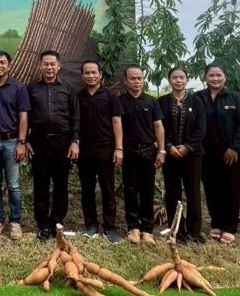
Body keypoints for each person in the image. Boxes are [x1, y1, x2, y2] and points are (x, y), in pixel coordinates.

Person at [27, 49, 80, 240]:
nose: (49, 67)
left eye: (52, 64)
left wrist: (75, 142)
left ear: (59, 66)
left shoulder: (68, 88)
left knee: (61, 185)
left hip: (63, 142)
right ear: (40, 66)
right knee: (40, 184)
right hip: (39, 142)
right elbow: (25, 116)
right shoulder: (31, 88)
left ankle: (57, 222)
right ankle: (42, 225)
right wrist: (26, 141)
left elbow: (75, 116)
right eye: (45, 64)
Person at [0, 50, 30, 241]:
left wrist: (21, 142)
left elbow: (23, 116)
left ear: (9, 66)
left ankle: (15, 222)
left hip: (12, 142)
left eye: (2, 62)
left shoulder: (18, 87)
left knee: (14, 185)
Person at [197, 63, 240, 244]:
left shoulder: (235, 96)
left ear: (225, 77)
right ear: (205, 78)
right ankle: (216, 223)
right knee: (212, 189)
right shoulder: (198, 97)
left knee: (231, 189)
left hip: (232, 152)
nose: (215, 78)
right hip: (207, 152)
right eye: (211, 75)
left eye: (219, 75)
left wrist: (234, 147)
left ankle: (229, 227)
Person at [76, 60, 123, 244]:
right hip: (84, 149)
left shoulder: (110, 96)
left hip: (106, 148)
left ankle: (110, 227)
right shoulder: (78, 97)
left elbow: (116, 122)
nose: (91, 76)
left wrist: (119, 148)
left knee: (107, 188)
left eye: (94, 72)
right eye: (87, 73)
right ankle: (91, 225)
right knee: (87, 189)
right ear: (82, 76)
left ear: (100, 75)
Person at [158, 66, 206, 243]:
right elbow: (159, 126)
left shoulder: (197, 101)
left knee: (193, 192)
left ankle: (194, 232)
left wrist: (188, 146)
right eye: (174, 77)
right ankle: (176, 230)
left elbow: (201, 128)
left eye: (181, 77)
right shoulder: (162, 102)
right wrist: (169, 146)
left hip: (193, 155)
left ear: (187, 80)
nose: (178, 80)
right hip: (170, 154)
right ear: (169, 80)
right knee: (172, 192)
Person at [119, 65, 164, 244]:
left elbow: (158, 126)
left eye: (139, 78)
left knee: (147, 189)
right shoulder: (120, 101)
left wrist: (161, 151)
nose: (136, 81)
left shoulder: (151, 101)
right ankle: (133, 228)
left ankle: (147, 229)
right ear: (125, 81)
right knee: (130, 189)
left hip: (148, 151)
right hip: (128, 150)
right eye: (132, 78)